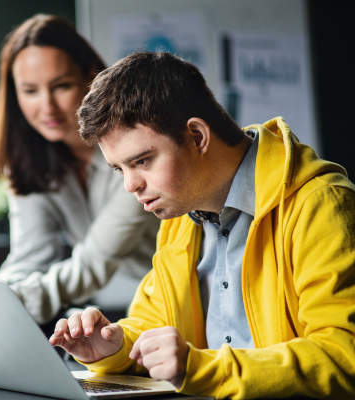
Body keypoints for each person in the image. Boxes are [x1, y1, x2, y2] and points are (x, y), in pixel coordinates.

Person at [50, 52, 355, 398]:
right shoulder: (182, 217)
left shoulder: (321, 204)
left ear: (196, 136)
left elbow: (345, 355)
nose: (130, 185)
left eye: (142, 161)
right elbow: (154, 324)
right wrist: (113, 346)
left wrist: (203, 369)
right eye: (120, 169)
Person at [0, 15, 160, 324]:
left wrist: (10, 303)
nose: (47, 107)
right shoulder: (29, 162)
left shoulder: (134, 149)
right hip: (138, 309)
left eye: (61, 86)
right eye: (30, 91)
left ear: (92, 78)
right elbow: (29, 257)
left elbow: (95, 261)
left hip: (184, 299)